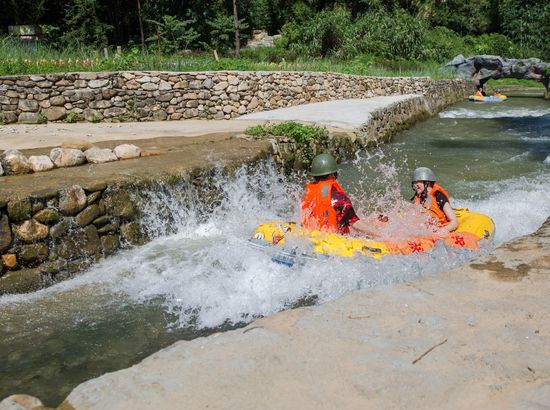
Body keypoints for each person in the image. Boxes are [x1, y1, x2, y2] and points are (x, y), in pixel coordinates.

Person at [301, 153, 378, 237]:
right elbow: (354, 223)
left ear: (314, 176)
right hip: (335, 240)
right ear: (332, 174)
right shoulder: (337, 197)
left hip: (312, 236)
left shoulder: (310, 192)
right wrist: (381, 236)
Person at [410, 167, 458, 234]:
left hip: (440, 227)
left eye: (418, 182)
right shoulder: (418, 197)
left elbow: (454, 222)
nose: (415, 185)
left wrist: (443, 230)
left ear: (427, 183)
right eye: (414, 182)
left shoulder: (439, 197)